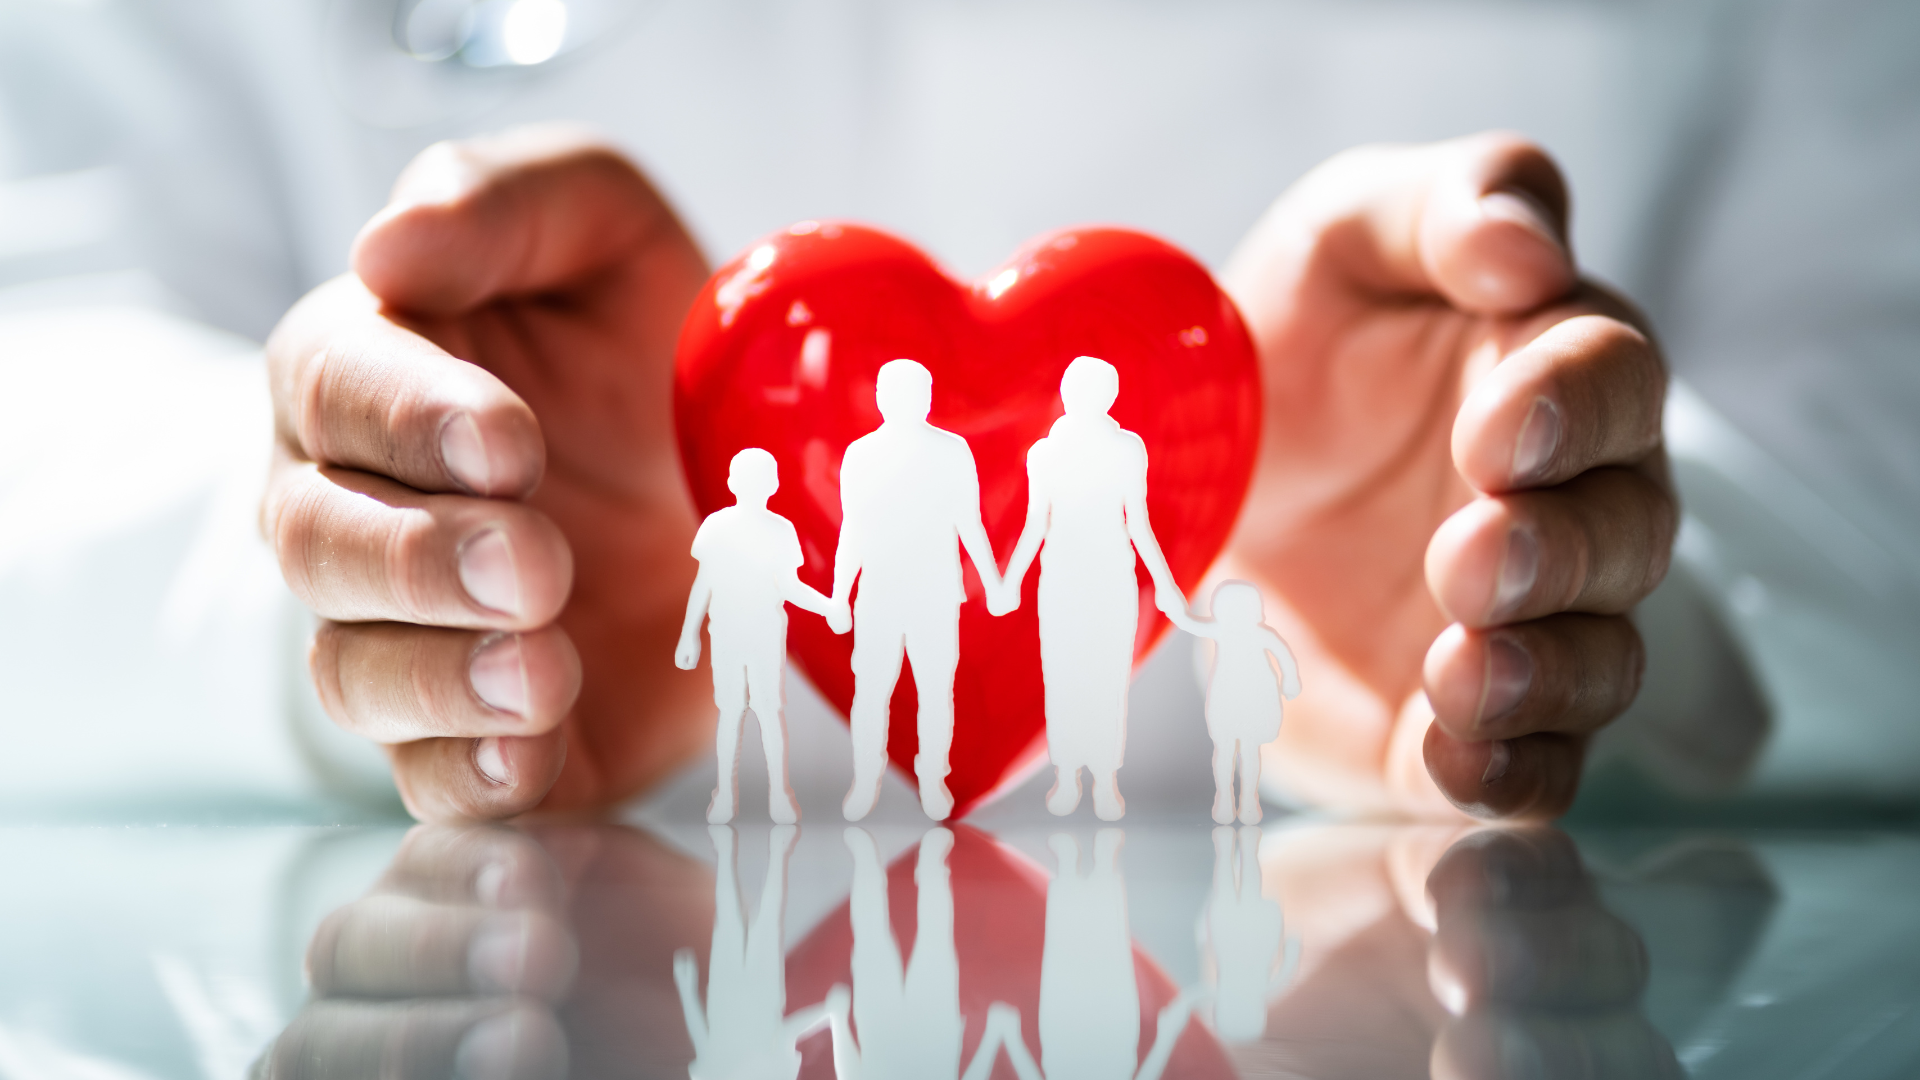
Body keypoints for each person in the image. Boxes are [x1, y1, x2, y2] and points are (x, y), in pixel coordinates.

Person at [998, 356, 1189, 821]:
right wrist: (1010, 581)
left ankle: (1104, 778)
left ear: (1110, 396)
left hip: (1111, 577)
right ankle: (1067, 775)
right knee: (1063, 677)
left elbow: (1138, 522)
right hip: (1062, 577)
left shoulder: (1127, 448)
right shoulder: (1044, 454)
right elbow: (1035, 524)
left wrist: (1166, 584)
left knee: (1107, 678)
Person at [830, 359, 1009, 822]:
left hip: (935, 593)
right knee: (872, 689)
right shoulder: (861, 455)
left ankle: (933, 779)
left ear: (928, 398)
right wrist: (839, 595)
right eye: (900, 392)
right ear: (880, 398)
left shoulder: (952, 451)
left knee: (934, 690)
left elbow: (970, 524)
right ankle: (866, 780)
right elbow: (853, 530)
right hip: (879, 593)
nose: (912, 400)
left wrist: (993, 584)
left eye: (919, 391)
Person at [674, 448, 837, 825]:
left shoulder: (781, 531)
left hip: (765, 635)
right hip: (728, 633)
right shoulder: (716, 527)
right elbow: (704, 583)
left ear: (774, 485)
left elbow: (791, 588)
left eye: (763, 478)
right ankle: (724, 796)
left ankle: (779, 794)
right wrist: (688, 635)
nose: (756, 486)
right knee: (731, 713)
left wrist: (829, 607)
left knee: (768, 712)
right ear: (732, 483)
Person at [1169, 581, 1303, 826]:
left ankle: (1249, 799)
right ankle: (1224, 798)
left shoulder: (1261, 635)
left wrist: (1291, 680)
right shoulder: (1220, 630)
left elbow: (1284, 657)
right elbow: (1188, 622)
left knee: (1249, 749)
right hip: (1226, 696)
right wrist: (1173, 606)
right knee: (1226, 749)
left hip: (1254, 696)